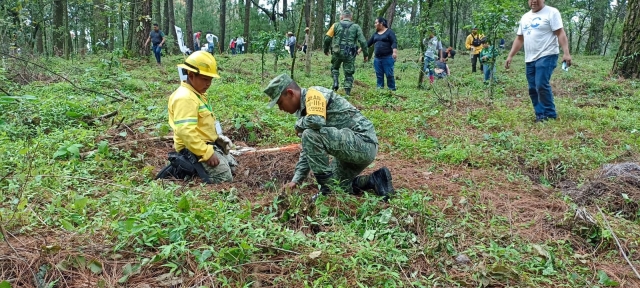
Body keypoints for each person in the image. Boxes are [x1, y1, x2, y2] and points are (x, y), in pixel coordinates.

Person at [263, 73, 395, 201]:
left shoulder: (313, 94)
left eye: (280, 102)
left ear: (290, 93)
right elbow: (308, 149)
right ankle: (375, 180)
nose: (280, 108)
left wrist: (298, 125)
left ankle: (325, 192)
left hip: (363, 142)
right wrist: (296, 181)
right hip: (352, 149)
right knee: (337, 186)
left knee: (310, 136)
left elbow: (316, 121)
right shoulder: (304, 113)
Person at [168, 51, 238, 183]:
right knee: (225, 178)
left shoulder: (197, 94)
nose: (208, 84)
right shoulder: (185, 98)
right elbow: (185, 131)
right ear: (191, 75)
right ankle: (190, 174)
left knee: (234, 167)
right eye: (205, 79)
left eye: (210, 80)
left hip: (206, 143)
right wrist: (205, 152)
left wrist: (217, 138)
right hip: (192, 148)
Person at [505, 0, 572, 122]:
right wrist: (510, 56)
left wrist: (566, 53)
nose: (533, 1)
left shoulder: (552, 12)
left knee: (541, 84)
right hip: (530, 58)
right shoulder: (525, 17)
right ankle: (540, 115)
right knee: (532, 88)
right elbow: (520, 38)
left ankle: (550, 114)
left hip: (547, 54)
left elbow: (560, 33)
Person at [323, 10, 369, 96]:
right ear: (351, 18)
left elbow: (327, 38)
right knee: (348, 73)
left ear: (341, 17)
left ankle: (335, 82)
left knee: (335, 68)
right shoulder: (356, 27)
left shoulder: (335, 25)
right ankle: (347, 92)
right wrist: (366, 54)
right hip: (350, 53)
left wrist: (326, 49)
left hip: (337, 52)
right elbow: (362, 41)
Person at [365, 17, 397, 91]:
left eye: (376, 23)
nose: (375, 24)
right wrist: (360, 50)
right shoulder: (375, 34)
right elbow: (368, 43)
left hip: (388, 57)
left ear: (381, 23)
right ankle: (380, 89)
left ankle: (392, 89)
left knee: (389, 75)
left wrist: (394, 52)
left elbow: (394, 42)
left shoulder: (389, 32)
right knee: (379, 75)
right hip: (377, 59)